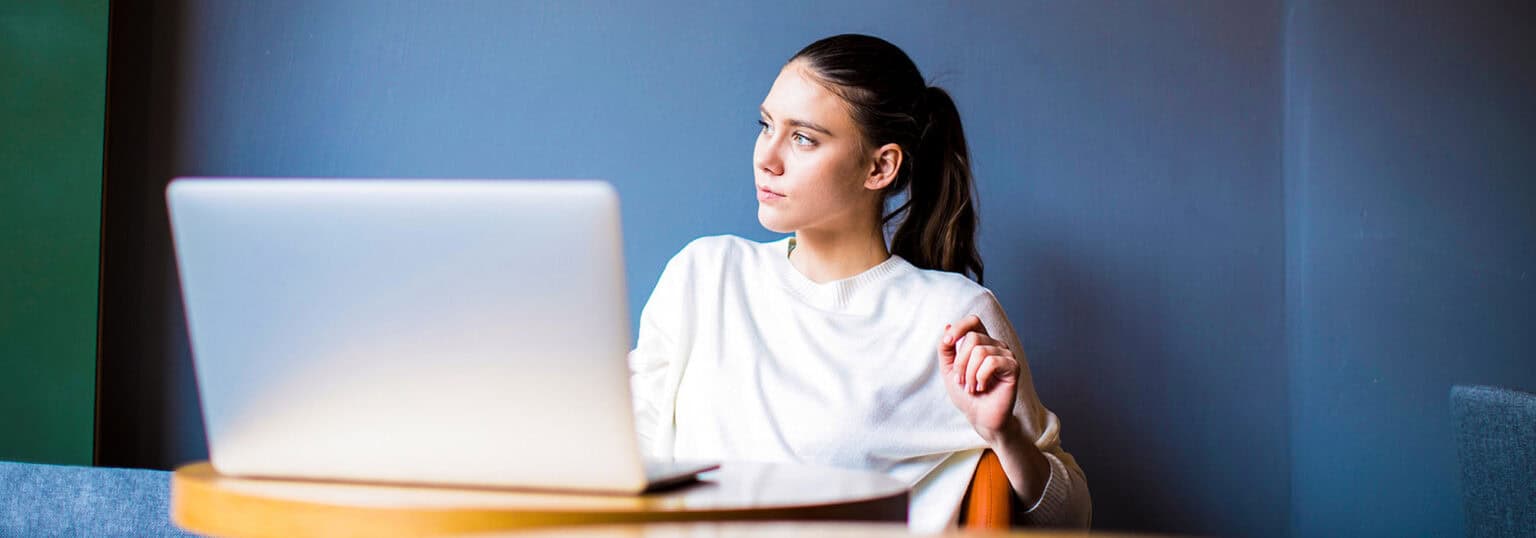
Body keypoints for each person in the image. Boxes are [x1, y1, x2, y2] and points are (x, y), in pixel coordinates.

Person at [627, 34, 1090, 531]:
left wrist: (1004, 436)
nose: (767, 156)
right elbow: (626, 456)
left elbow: (1072, 521)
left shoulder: (951, 316)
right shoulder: (703, 274)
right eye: (766, 125)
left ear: (880, 166)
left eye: (802, 138)